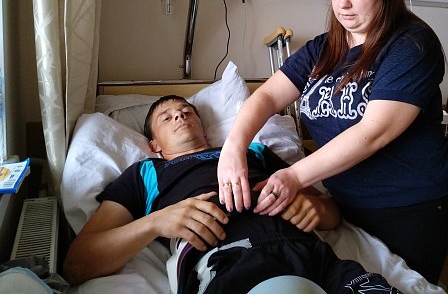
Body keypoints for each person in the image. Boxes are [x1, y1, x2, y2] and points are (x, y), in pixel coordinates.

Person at [217, 0, 448, 284]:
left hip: (407, 206)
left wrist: (294, 177)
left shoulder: (411, 46)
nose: (343, 3)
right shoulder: (324, 48)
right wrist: (233, 146)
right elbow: (266, 97)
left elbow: (373, 132)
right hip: (345, 202)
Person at [62, 94, 399, 293]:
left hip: (310, 251)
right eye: (166, 117)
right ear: (154, 145)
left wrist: (315, 208)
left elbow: (332, 213)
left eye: (187, 111)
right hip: (228, 262)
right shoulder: (145, 173)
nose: (179, 115)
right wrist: (156, 223)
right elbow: (77, 264)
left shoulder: (252, 151)